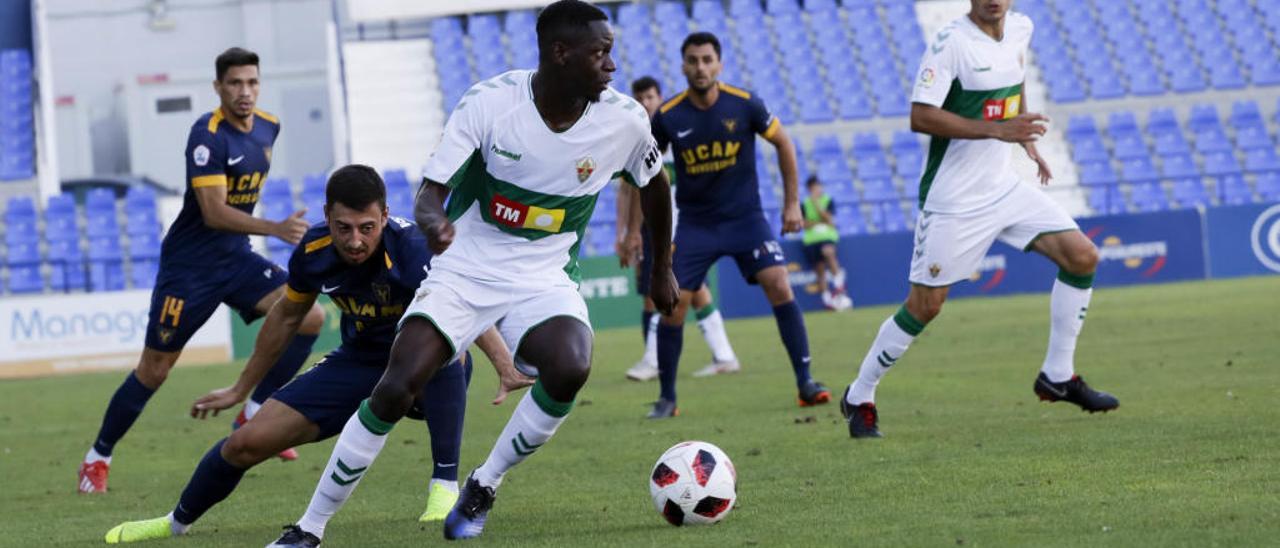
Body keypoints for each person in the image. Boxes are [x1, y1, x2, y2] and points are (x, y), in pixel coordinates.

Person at [266, 2, 677, 545]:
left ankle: (484, 483)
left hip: (543, 272)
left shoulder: (623, 119)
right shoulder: (490, 104)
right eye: (601, 53)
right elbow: (430, 194)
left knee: (570, 366)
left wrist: (659, 268)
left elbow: (656, 187)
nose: (612, 66)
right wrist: (435, 225)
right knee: (395, 387)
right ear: (561, 53)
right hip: (466, 265)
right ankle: (308, 529)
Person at [101, 166, 527, 544]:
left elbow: (465, 309)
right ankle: (174, 524)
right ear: (327, 217)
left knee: (448, 347)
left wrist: (504, 364)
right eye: (343, 228)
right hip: (358, 362)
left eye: (366, 227)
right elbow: (286, 317)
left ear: (383, 216)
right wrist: (242, 388)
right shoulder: (312, 251)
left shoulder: (414, 248)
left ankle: (444, 486)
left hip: (420, 365)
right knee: (245, 443)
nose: (355, 240)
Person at [839, 0, 1119, 439]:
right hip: (954, 200)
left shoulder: (1022, 28)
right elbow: (920, 116)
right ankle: (860, 394)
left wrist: (1022, 133)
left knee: (1082, 257)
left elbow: (1015, 74)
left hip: (1003, 187)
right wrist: (998, 130)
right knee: (925, 307)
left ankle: (1057, 376)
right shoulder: (951, 44)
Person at [79, 47, 325, 493]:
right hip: (189, 269)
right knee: (153, 371)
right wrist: (275, 227)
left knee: (310, 317)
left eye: (252, 82)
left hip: (236, 258)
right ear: (218, 88)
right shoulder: (207, 136)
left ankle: (252, 412)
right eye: (235, 83)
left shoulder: (269, 125)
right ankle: (98, 457)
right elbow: (213, 212)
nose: (245, 92)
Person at [645, 31, 831, 419]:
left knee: (779, 283)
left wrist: (792, 203)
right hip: (696, 225)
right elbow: (643, 169)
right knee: (673, 305)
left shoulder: (745, 104)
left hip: (746, 219)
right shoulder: (668, 115)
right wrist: (632, 230)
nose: (700, 67)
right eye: (693, 60)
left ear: (719, 64)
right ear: (683, 66)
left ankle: (806, 382)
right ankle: (667, 398)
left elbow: (784, 143)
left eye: (707, 60)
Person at [617, 75, 739, 382]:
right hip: (655, 224)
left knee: (660, 292)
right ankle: (724, 355)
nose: (646, 103)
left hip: (679, 224)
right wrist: (628, 232)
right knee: (694, 289)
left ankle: (652, 359)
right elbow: (628, 190)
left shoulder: (677, 133)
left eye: (651, 97)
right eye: (640, 98)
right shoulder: (637, 138)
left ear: (661, 98)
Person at [801, 175, 851, 311]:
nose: (816, 190)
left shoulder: (828, 200)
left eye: (818, 186)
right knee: (820, 270)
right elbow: (803, 224)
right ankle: (827, 300)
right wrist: (818, 222)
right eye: (813, 188)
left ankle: (839, 287)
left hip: (827, 237)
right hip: (811, 240)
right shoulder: (804, 203)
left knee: (828, 252)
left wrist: (817, 206)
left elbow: (830, 220)